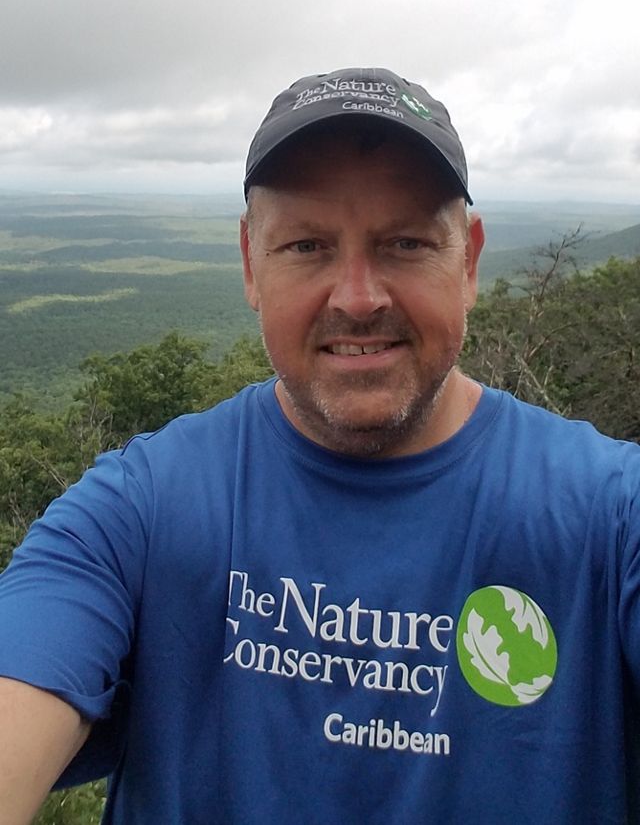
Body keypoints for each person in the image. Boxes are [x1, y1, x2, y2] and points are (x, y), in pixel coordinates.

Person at [0, 67, 639, 825]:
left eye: (405, 242)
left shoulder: (608, 515)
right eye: (307, 246)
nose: (358, 297)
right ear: (249, 264)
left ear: (467, 261)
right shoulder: (136, 512)